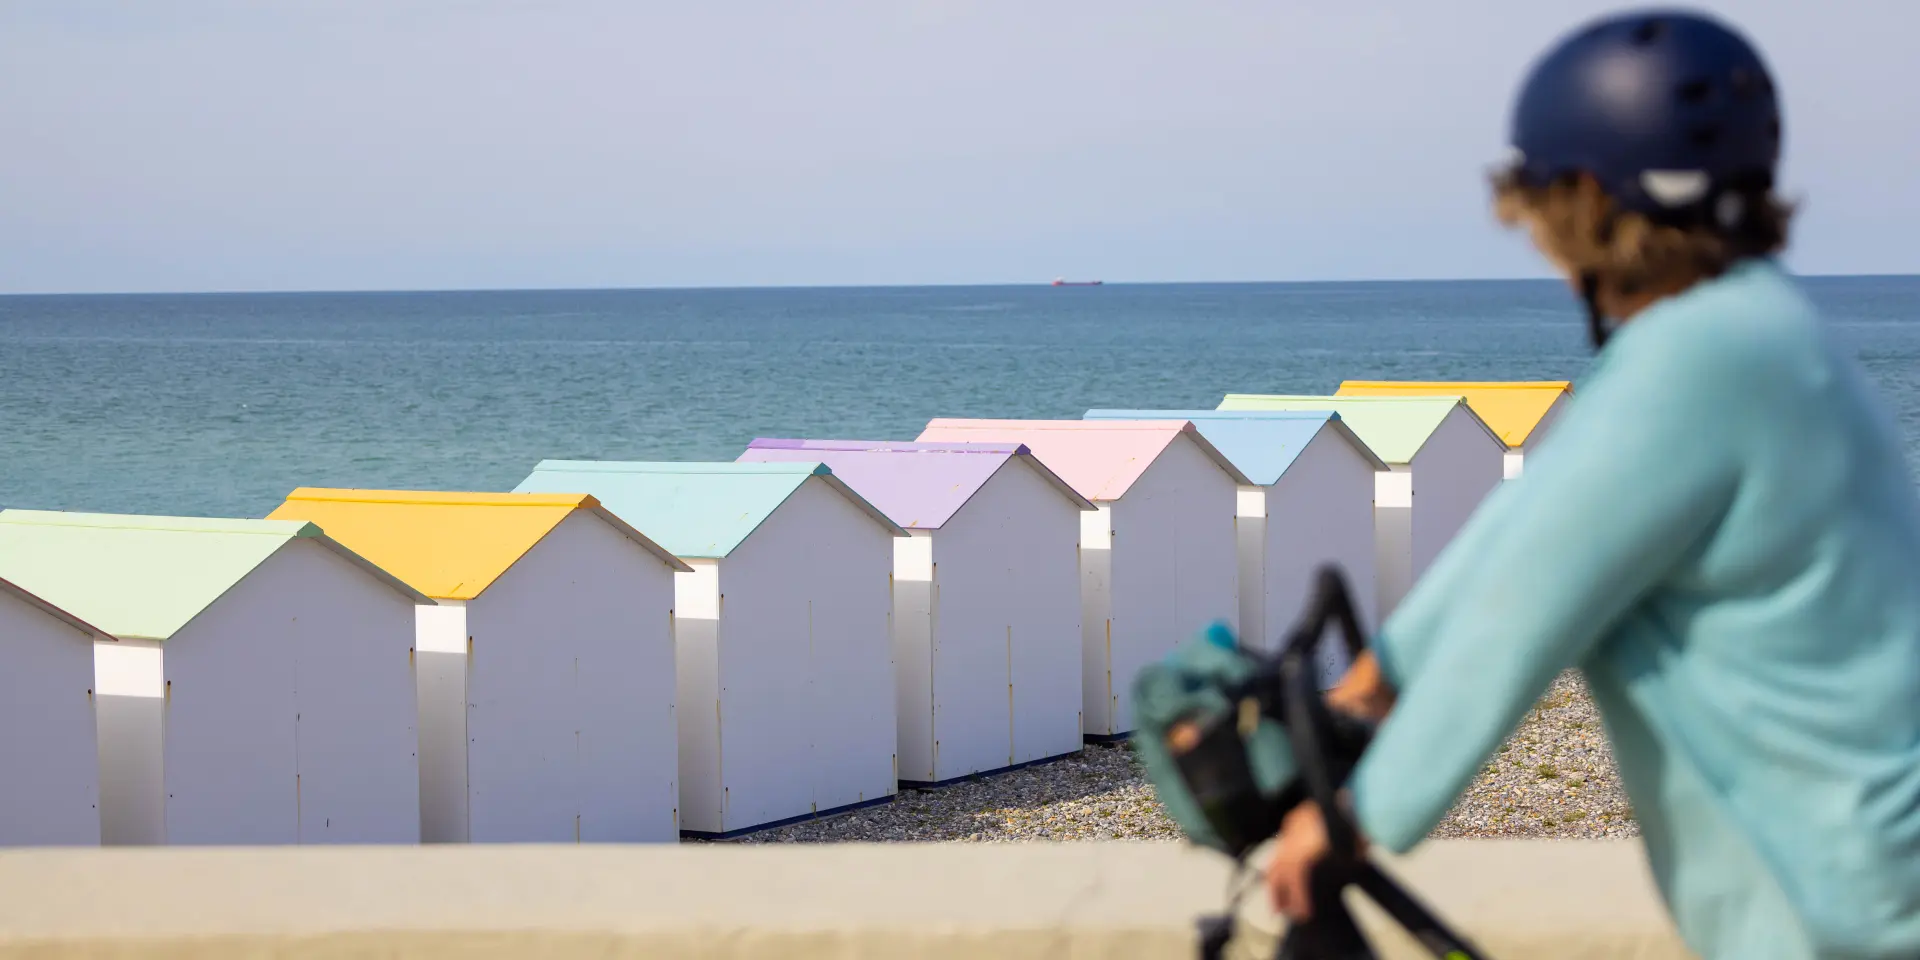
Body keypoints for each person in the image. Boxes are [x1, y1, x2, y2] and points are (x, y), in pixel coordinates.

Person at [1261, 9, 1920, 959]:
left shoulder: (1697, 363)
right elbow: (1532, 526)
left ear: (1585, 199)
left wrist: (1357, 814)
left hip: (1847, 906)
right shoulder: (1752, 331)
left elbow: (1523, 609)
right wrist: (1379, 678)